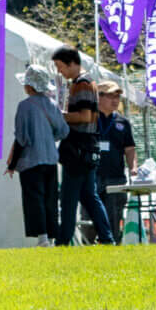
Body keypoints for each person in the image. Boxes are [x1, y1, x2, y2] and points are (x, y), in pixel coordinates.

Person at [8, 62, 68, 245]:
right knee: (50, 198)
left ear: (29, 85)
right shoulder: (52, 104)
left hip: (30, 160)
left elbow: (21, 138)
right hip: (50, 158)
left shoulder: (25, 106)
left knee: (34, 198)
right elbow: (63, 131)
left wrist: (12, 164)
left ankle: (42, 237)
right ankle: (51, 236)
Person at [56, 94, 115, 245]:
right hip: (88, 155)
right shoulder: (95, 110)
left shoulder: (82, 85)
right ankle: (106, 238)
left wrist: (62, 115)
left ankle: (63, 241)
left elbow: (85, 116)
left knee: (69, 199)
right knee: (90, 197)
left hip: (78, 155)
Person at [94, 82, 138, 244]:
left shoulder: (123, 122)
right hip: (92, 176)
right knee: (89, 219)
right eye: (111, 96)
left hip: (115, 178)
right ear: (99, 97)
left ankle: (111, 249)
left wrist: (133, 167)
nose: (115, 100)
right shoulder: (89, 118)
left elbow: (130, 149)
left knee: (113, 217)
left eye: (117, 97)